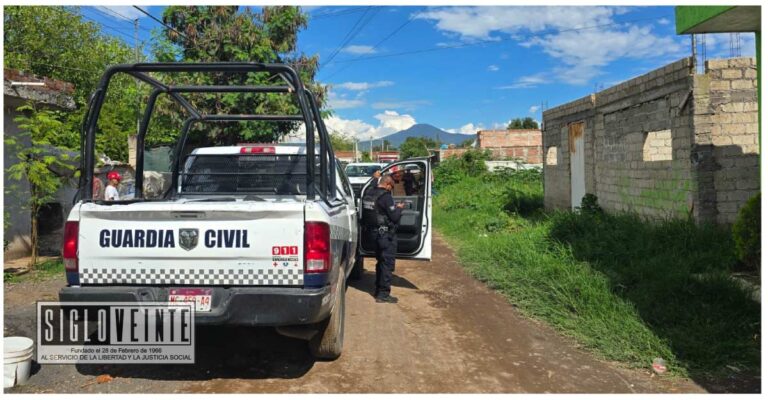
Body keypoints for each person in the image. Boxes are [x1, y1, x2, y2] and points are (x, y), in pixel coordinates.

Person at [361, 175, 405, 303]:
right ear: (387, 185)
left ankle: (378, 290)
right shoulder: (386, 197)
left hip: (372, 234)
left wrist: (375, 178)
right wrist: (399, 208)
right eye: (390, 187)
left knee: (380, 261)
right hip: (385, 236)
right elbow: (395, 217)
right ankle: (383, 294)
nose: (390, 190)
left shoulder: (368, 193)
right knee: (387, 264)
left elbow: (372, 186)